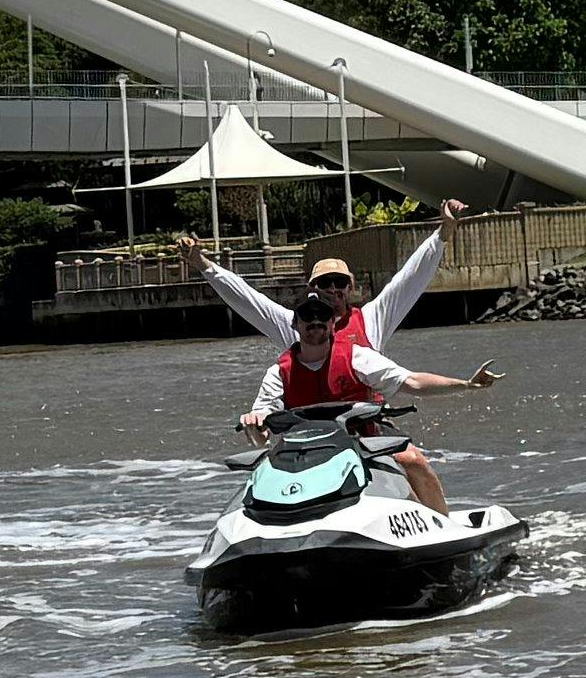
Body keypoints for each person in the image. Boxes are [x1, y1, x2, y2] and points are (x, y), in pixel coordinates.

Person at [209, 208, 490, 508]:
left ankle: (443, 526)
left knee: (414, 460)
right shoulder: (281, 365)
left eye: (339, 283)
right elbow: (249, 301)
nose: (332, 290)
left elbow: (410, 284)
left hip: (367, 431)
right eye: (324, 284)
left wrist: (466, 384)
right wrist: (204, 265)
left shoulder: (362, 345)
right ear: (295, 324)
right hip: (306, 444)